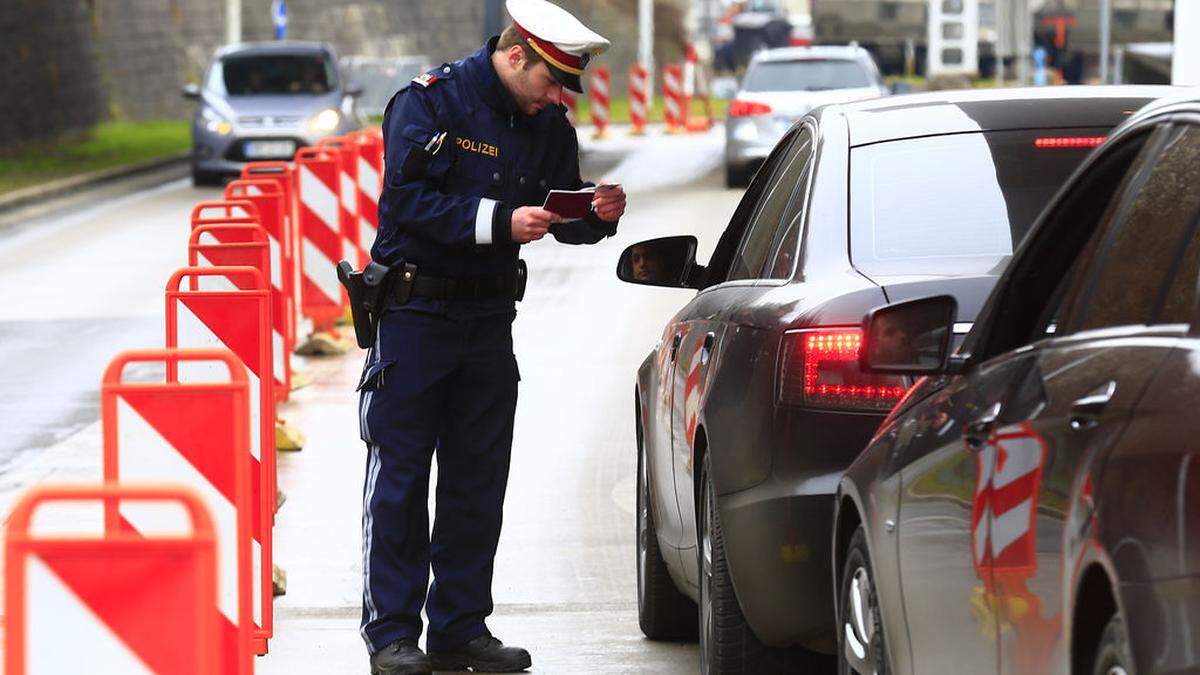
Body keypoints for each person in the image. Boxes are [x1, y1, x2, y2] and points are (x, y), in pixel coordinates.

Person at [358, 1, 626, 673]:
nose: (553, 99)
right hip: (415, 318)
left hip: (488, 324)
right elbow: (405, 203)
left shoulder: (546, 126)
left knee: (478, 481)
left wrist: (593, 213)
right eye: (548, 81)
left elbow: (561, 208)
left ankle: (459, 624)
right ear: (515, 56)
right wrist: (499, 222)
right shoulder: (431, 105)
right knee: (401, 479)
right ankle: (392, 633)